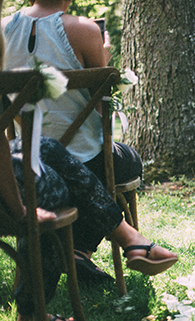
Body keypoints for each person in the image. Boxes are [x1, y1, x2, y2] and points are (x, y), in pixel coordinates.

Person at [1, 0, 145, 281]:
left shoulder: (3, 28)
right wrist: (103, 56)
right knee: (128, 162)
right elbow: (102, 105)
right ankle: (80, 251)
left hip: (27, 159)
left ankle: (77, 253)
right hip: (87, 160)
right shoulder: (85, 29)